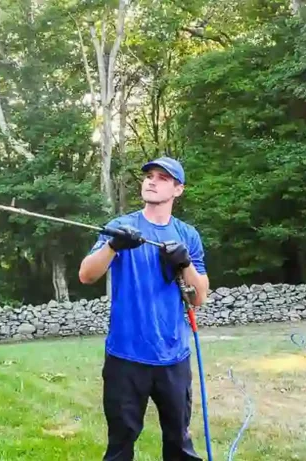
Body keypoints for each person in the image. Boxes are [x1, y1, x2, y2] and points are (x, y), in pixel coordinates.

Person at [78, 156, 210, 461]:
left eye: (162, 178)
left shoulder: (187, 235)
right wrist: (113, 246)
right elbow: (86, 275)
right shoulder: (120, 227)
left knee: (179, 443)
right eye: (149, 175)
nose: (151, 181)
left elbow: (199, 296)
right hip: (125, 356)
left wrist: (185, 263)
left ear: (178, 190)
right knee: (120, 445)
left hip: (173, 355)